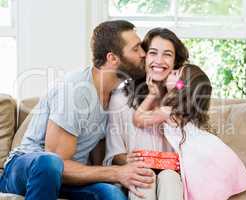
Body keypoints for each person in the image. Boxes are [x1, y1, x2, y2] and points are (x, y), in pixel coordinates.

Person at [0, 20, 155, 200]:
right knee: (50, 163)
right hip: (27, 169)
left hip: (70, 179)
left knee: (112, 194)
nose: (144, 54)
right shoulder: (75, 91)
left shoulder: (115, 96)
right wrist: (116, 173)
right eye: (136, 49)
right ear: (112, 58)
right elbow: (57, 162)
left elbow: (97, 152)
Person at [133, 64, 246, 200]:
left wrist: (152, 94)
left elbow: (138, 119)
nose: (171, 71)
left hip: (200, 155)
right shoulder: (186, 111)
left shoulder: (169, 111)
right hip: (211, 149)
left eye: (176, 73)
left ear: (180, 85)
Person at [103, 28, 189, 200]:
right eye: (153, 53)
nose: (159, 60)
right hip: (137, 174)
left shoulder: (183, 98)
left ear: (175, 62)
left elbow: (192, 147)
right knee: (144, 177)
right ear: (144, 57)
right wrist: (134, 161)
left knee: (169, 177)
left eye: (167, 54)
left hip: (173, 175)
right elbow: (114, 155)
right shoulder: (121, 99)